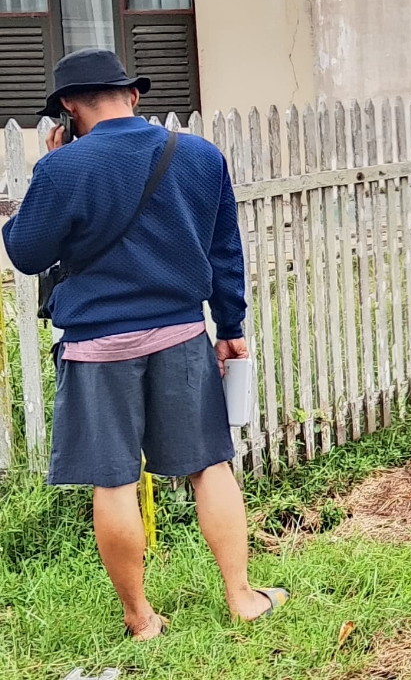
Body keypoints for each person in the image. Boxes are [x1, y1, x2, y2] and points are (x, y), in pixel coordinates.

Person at [1, 49, 285, 640]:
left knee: (115, 481)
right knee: (211, 467)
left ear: (69, 110)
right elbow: (224, 253)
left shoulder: (63, 168)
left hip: (97, 346)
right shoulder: (201, 157)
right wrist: (230, 329)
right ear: (133, 97)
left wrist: (50, 168)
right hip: (181, 335)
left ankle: (141, 618)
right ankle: (241, 596)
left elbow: (26, 254)